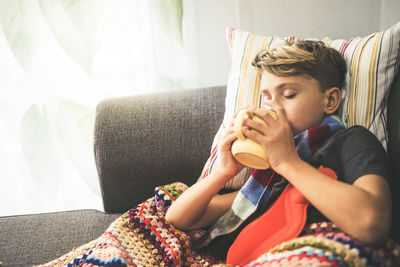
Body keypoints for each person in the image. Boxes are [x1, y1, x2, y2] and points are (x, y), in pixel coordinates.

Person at [165, 40, 392, 264]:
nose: (273, 106)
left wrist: (287, 161)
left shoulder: (351, 140)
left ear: (330, 100)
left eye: (289, 94)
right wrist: (223, 173)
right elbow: (177, 219)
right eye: (267, 97)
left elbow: (372, 222)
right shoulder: (266, 181)